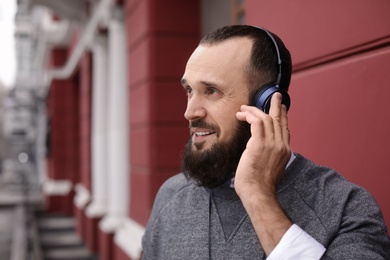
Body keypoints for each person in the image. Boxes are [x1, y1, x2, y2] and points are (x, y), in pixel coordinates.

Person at [141, 25, 390, 259]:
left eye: (211, 91)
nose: (190, 112)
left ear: (266, 103)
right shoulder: (171, 196)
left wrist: (257, 195)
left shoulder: (345, 207)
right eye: (189, 91)